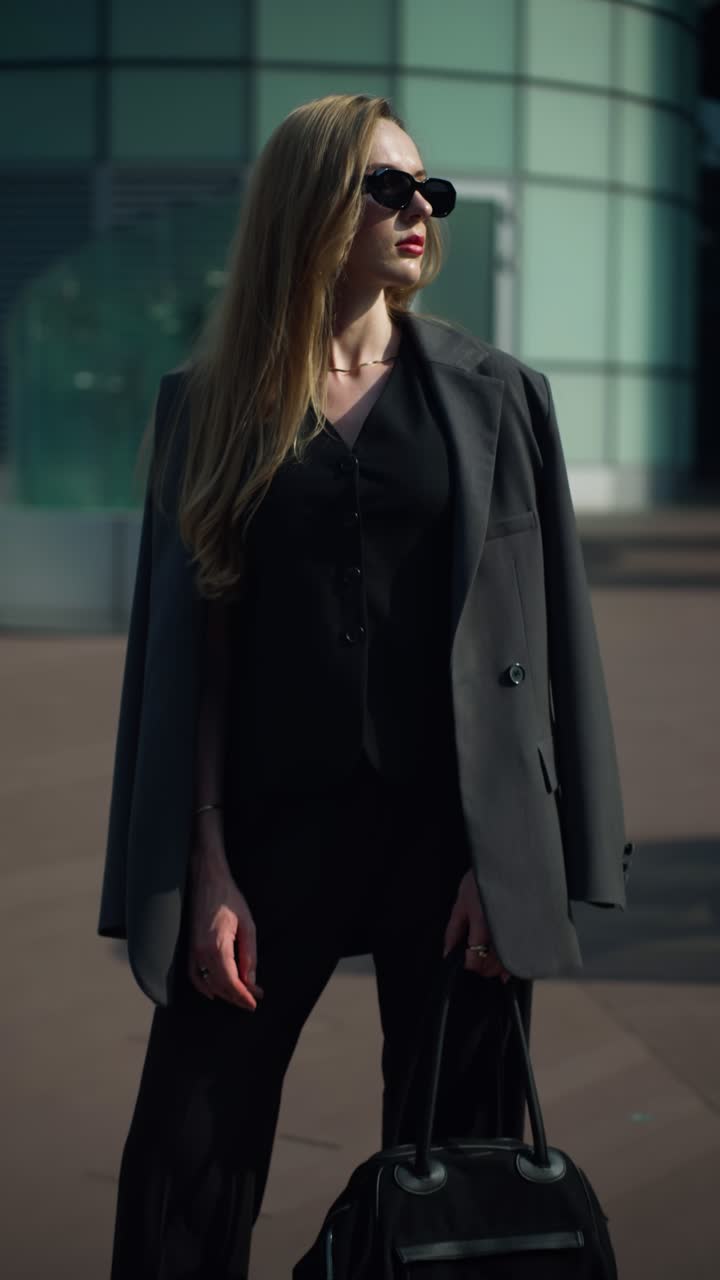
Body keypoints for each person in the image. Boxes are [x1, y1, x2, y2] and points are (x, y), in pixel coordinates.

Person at [98, 93, 633, 1278]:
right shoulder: (211, 402)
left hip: (454, 851)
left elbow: (549, 639)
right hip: (265, 842)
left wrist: (518, 864)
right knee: (183, 1160)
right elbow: (195, 657)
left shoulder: (496, 395)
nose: (418, 213)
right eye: (386, 188)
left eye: (428, 192)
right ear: (310, 205)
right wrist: (207, 857)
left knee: (463, 1180)